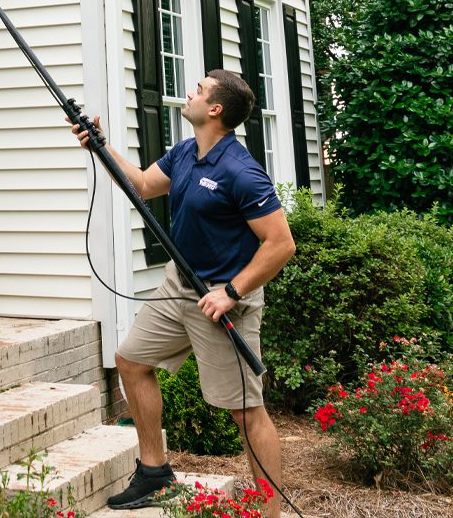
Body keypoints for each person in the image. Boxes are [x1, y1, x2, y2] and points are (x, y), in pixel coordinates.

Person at [73, 69, 296, 514]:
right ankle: (155, 473)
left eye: (199, 90)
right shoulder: (185, 153)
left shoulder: (241, 172)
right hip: (181, 283)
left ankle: (271, 512)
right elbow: (139, 183)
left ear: (215, 110)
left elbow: (281, 244)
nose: (190, 92)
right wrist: (99, 145)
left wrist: (231, 292)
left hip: (222, 300)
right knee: (131, 361)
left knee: (246, 410)